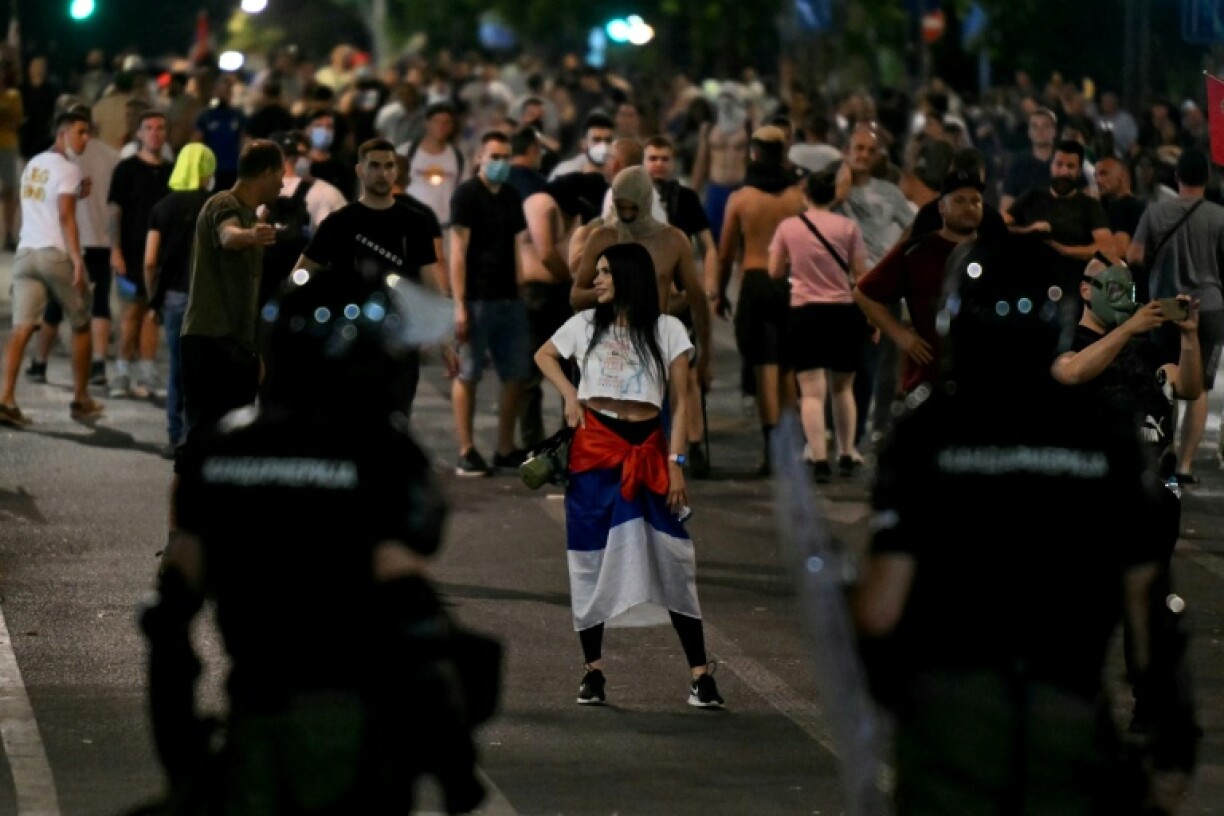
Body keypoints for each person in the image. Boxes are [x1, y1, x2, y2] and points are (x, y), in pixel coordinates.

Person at [853, 234, 1198, 815]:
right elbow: (1151, 617)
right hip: (1067, 723)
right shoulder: (1106, 434)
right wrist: (1173, 749)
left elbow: (882, 610)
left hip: (953, 730)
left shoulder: (929, 431)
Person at [143, 267, 497, 814]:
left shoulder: (221, 449)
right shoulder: (380, 453)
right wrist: (456, 770)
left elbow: (168, 617)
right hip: (351, 733)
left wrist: (182, 758)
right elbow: (415, 615)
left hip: (252, 718)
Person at [533, 242, 724, 709]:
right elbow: (544, 355)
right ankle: (592, 670)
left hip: (649, 451)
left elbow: (682, 403)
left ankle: (700, 675)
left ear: (628, 277)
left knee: (673, 559)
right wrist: (570, 395)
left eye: (603, 273)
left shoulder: (667, 329)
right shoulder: (584, 325)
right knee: (589, 560)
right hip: (595, 452)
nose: (594, 281)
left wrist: (678, 464)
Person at [293, 138, 447, 421]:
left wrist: (446, 341)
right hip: (348, 338)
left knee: (396, 417)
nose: (383, 173)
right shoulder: (339, 222)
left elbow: (431, 282)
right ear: (360, 171)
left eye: (389, 166)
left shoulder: (415, 222)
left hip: (398, 340)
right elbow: (302, 273)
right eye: (374, 166)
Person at [177, 139, 284, 464]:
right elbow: (228, 235)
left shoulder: (250, 214)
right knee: (201, 441)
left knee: (233, 443)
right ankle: (186, 513)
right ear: (266, 173)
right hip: (210, 340)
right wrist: (250, 236)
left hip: (237, 343)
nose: (282, 184)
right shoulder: (224, 204)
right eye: (280, 175)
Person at [0, 110, 104, 427]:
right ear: (63, 134)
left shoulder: (34, 163)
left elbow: (43, 201)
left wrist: (75, 193)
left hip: (26, 253)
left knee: (22, 327)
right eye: (81, 132)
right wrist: (77, 260)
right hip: (54, 253)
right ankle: (81, 399)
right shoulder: (68, 168)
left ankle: (5, 398)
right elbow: (65, 216)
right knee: (82, 322)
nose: (86, 138)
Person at [1127, 148, 1224, 485]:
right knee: (1197, 387)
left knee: (1164, 381)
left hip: (1166, 305)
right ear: (1207, 179)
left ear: (1177, 177)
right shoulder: (1219, 216)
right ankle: (1185, 466)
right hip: (1208, 306)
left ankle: (1163, 452)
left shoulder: (1156, 212)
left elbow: (1134, 255)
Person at [769, 170, 869, 482]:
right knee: (843, 388)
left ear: (806, 194)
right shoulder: (848, 227)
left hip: (805, 313)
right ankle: (846, 453)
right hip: (843, 312)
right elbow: (861, 273)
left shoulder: (789, 227)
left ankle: (820, 458)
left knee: (811, 392)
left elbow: (774, 270)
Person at [716, 126, 805, 475]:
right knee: (788, 369)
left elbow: (725, 254)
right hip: (792, 283)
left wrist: (720, 292)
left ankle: (771, 449)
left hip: (756, 281)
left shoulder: (741, 199)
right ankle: (792, 446)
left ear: (754, 153)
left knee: (765, 367)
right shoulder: (797, 197)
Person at [854, 169, 985, 405]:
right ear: (942, 208)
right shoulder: (917, 251)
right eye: (960, 200)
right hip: (925, 382)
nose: (969, 207)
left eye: (975, 201)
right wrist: (902, 336)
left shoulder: (992, 252)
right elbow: (864, 293)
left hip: (980, 381)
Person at [449, 132, 531, 475]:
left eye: (506, 156)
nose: (501, 163)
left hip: (509, 299)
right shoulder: (467, 195)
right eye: (494, 156)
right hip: (477, 298)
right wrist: (459, 303)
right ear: (480, 157)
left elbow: (516, 245)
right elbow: (458, 251)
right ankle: (467, 448)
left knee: (515, 375)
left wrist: (522, 287)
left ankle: (504, 446)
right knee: (468, 373)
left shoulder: (512, 196)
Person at [145, 144, 217, 456]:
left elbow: (150, 261)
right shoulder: (215, 207)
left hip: (173, 296)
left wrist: (153, 300)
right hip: (206, 297)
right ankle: (199, 434)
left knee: (177, 367)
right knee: (204, 369)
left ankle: (176, 436)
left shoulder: (162, 207)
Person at [107, 109, 172, 399]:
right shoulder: (126, 169)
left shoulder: (172, 171)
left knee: (152, 316)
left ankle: (147, 372)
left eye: (160, 128)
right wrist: (115, 250)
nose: (155, 133)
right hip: (130, 255)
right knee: (130, 314)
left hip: (162, 258)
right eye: (149, 128)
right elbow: (114, 212)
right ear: (139, 134)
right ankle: (121, 372)